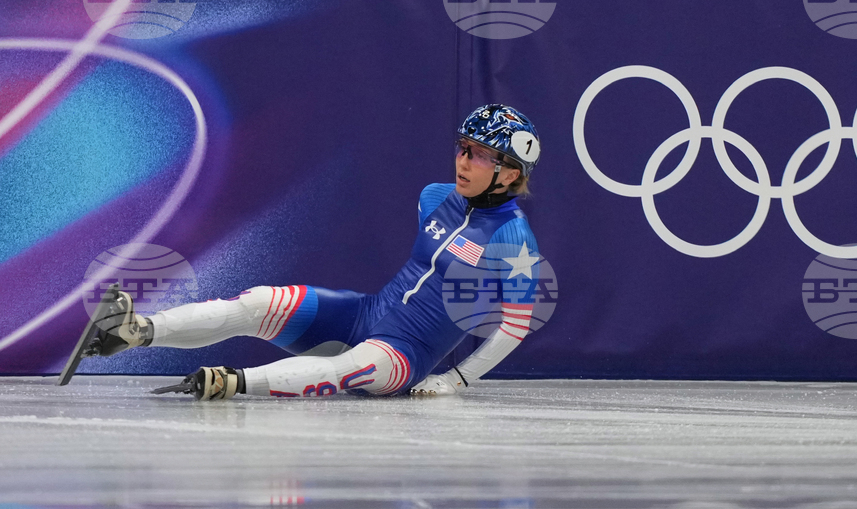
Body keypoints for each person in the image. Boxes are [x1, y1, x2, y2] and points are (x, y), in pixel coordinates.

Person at [88, 105, 543, 401]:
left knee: (349, 366)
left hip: (404, 355)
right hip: (365, 314)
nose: (463, 160)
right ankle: (137, 331)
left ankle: (236, 383)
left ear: (509, 173)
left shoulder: (512, 236)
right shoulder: (434, 195)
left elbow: (516, 326)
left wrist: (454, 379)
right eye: (463, 147)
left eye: (481, 154)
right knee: (258, 301)